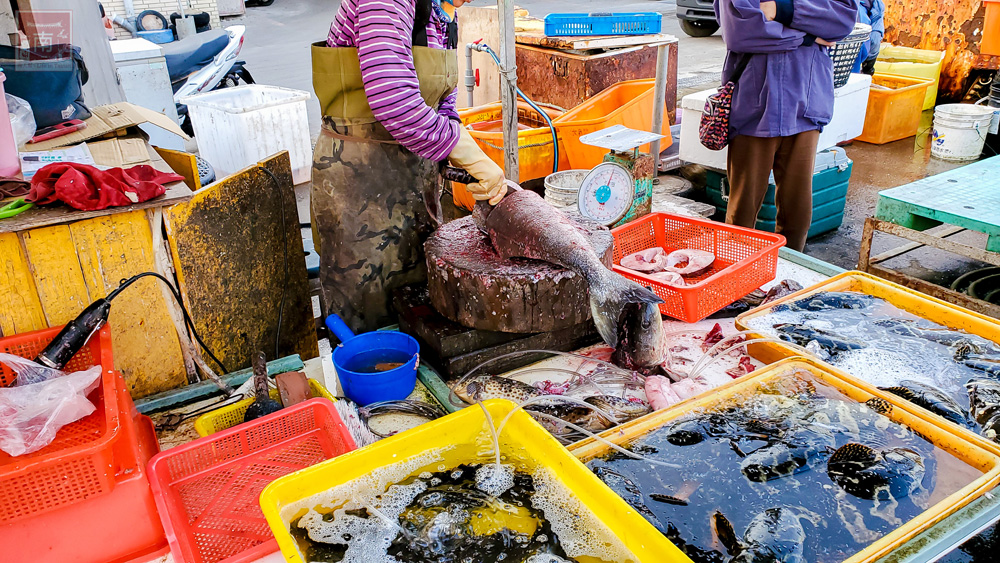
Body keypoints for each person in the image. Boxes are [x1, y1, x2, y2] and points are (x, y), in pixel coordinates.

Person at [312, 0, 506, 333]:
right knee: (370, 326)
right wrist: (462, 147)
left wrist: (453, 147)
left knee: (420, 312)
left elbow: (442, 98)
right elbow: (393, 99)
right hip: (360, 188)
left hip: (414, 183)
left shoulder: (441, 11)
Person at [714, 0, 858, 252]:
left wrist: (780, 11)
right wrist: (809, 37)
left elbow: (842, 20)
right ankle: (735, 273)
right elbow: (740, 33)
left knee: (797, 207)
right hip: (755, 106)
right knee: (742, 209)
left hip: (806, 101)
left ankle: (790, 275)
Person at [853, 0, 885, 75]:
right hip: (850, 73)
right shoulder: (874, 5)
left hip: (823, 68)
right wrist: (868, 69)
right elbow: (874, 40)